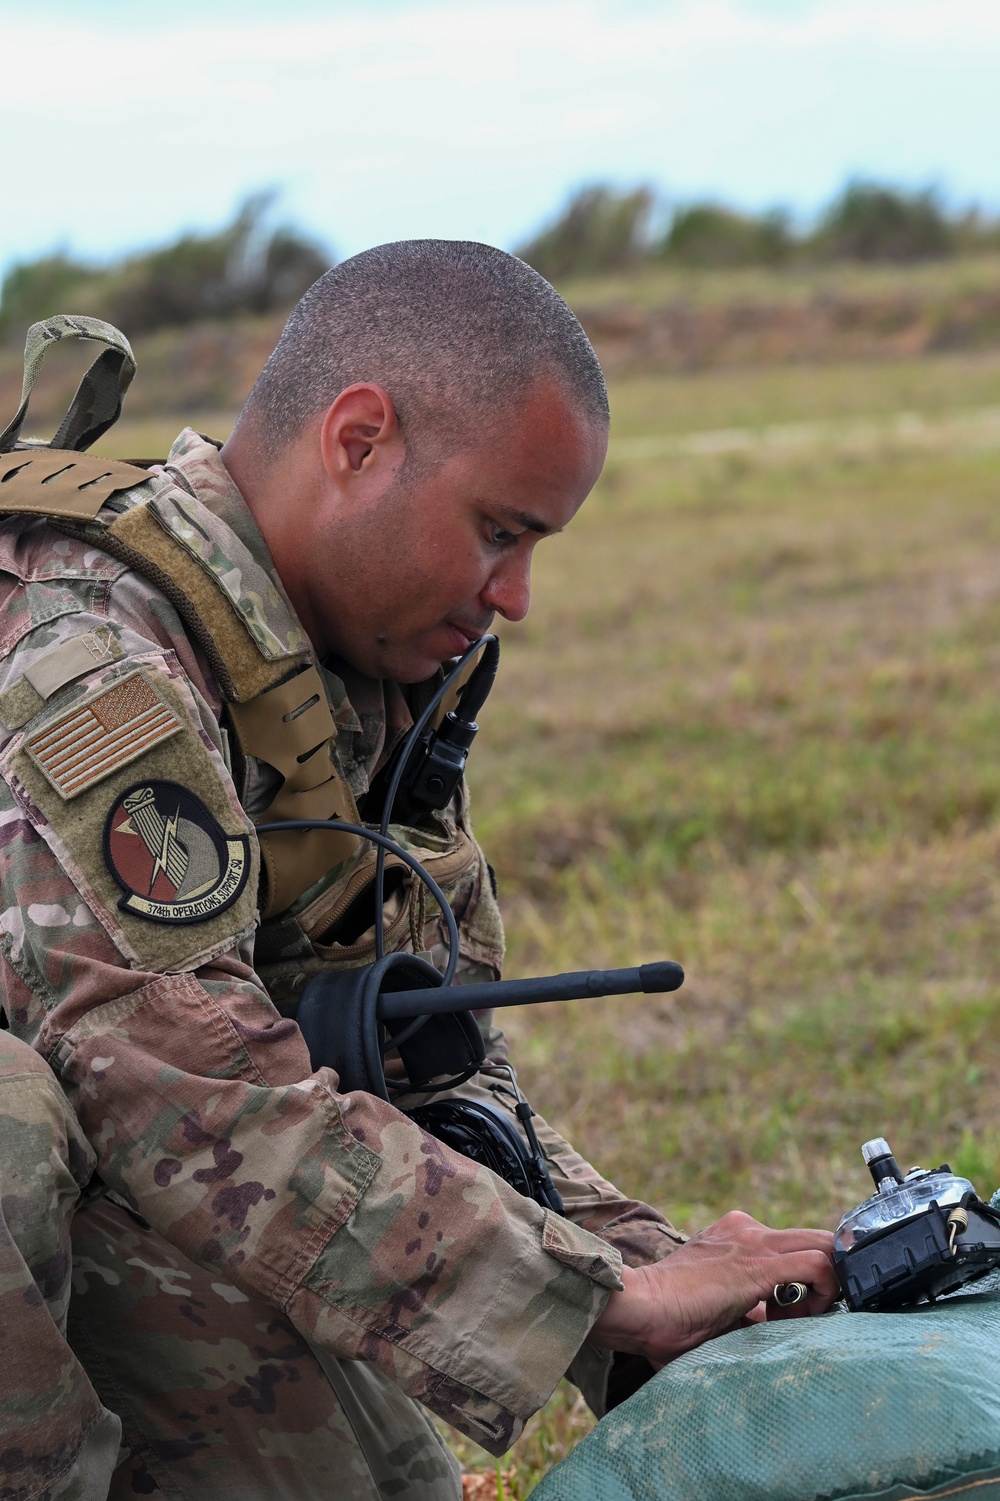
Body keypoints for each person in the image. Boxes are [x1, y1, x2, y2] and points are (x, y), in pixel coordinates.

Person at [0, 243, 837, 1501]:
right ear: (357, 440)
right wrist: (590, 1298)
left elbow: (415, 1058)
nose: (516, 596)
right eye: (499, 532)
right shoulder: (91, 652)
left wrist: (655, 1272)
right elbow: (171, 1077)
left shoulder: (329, 677)